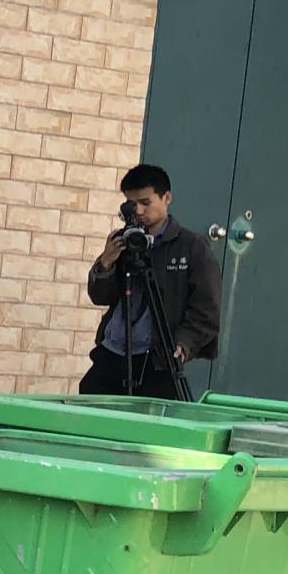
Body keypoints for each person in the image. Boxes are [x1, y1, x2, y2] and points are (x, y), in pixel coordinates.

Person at [80, 163, 219, 400]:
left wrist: (184, 344)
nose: (140, 212)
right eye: (132, 205)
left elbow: (207, 307)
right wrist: (107, 263)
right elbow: (99, 296)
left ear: (167, 198)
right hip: (113, 350)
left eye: (146, 203)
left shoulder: (191, 246)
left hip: (157, 358)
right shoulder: (122, 242)